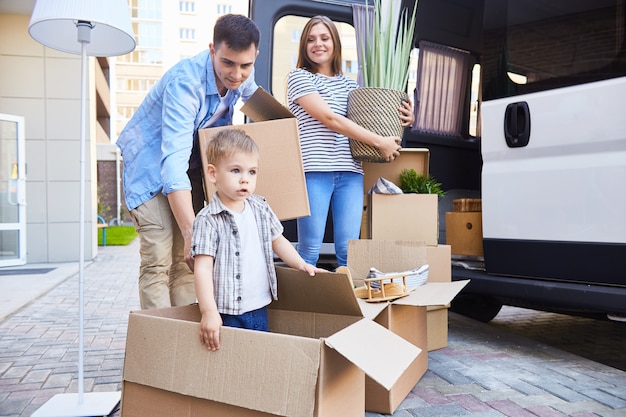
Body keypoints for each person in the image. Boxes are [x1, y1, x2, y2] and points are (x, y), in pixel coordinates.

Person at [116, 14, 260, 310]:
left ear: (254, 56)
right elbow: (172, 164)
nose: (236, 74)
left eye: (245, 65)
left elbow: (261, 106)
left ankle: (182, 343)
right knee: (159, 259)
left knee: (187, 263)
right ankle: (160, 344)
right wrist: (190, 228)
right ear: (212, 51)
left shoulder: (243, 74)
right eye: (227, 63)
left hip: (189, 173)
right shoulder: (187, 83)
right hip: (151, 169)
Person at [287, 15, 414, 267]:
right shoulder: (299, 78)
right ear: (304, 45)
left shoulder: (350, 86)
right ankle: (304, 306)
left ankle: (349, 306)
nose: (318, 44)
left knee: (349, 251)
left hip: (350, 172)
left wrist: (407, 117)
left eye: (325, 38)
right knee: (309, 250)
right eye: (311, 39)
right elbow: (330, 119)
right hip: (314, 172)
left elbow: (373, 118)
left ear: (335, 42)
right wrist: (380, 142)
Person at [191, 129, 323, 351]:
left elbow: (278, 240)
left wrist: (300, 263)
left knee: (258, 358)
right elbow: (202, 268)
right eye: (235, 170)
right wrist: (209, 312)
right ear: (213, 174)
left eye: (252, 172)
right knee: (232, 362)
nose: (245, 179)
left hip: (260, 305)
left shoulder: (260, 207)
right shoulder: (208, 219)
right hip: (227, 311)